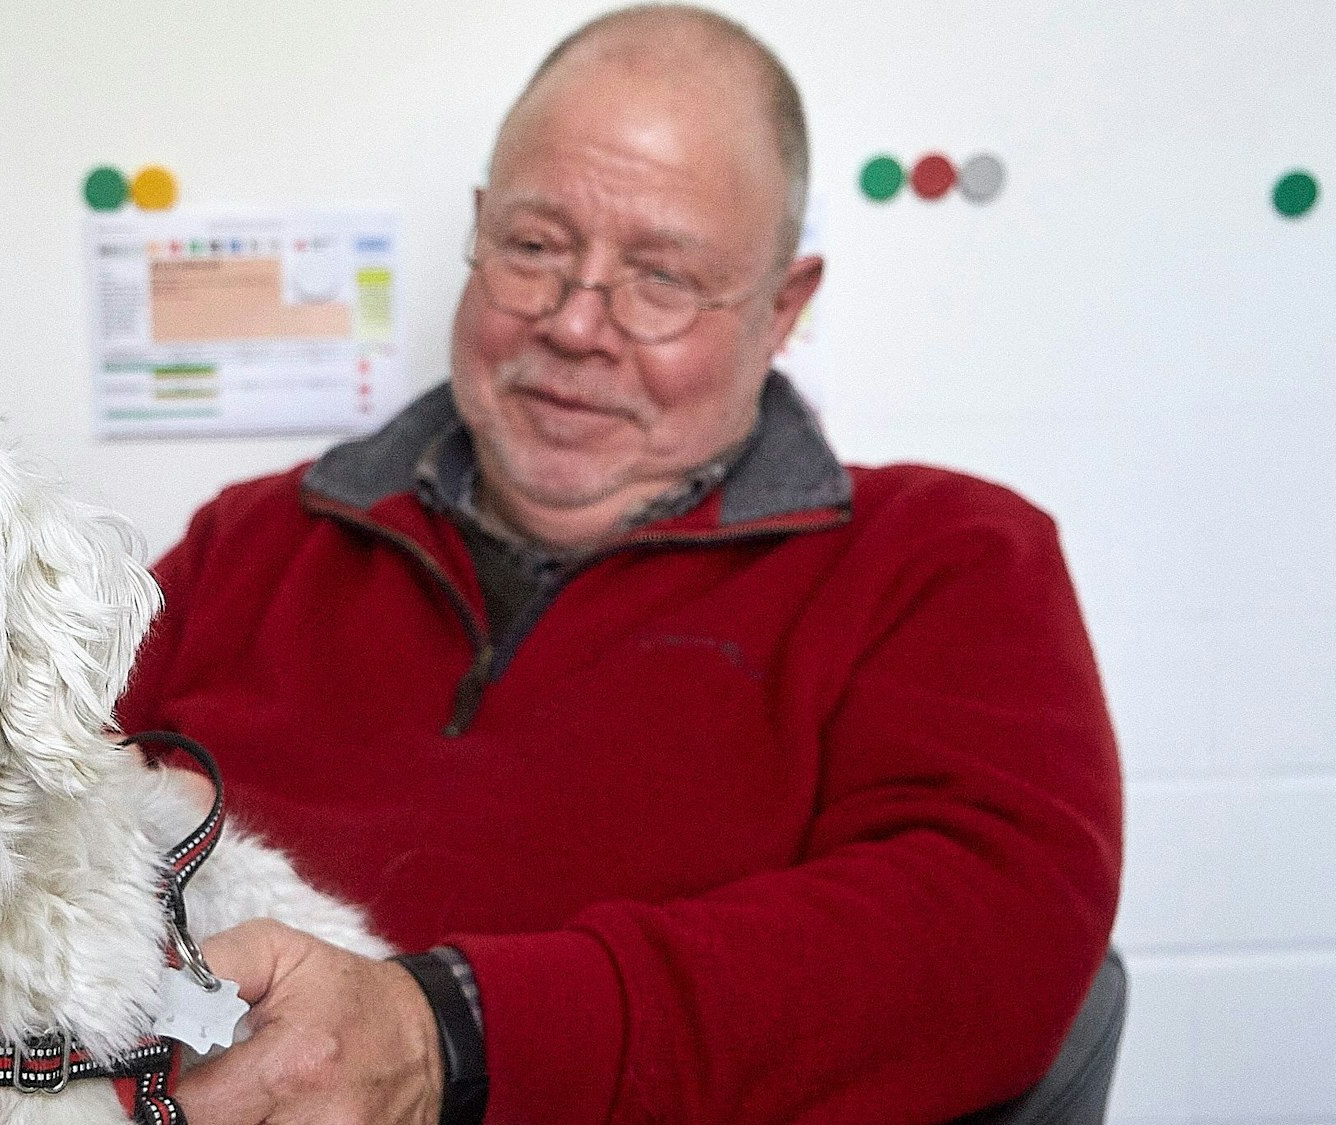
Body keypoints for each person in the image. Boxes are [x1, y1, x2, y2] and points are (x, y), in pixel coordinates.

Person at [116, 5, 1123, 1123]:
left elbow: (988, 940)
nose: (576, 324)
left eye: (661, 278)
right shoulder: (247, 544)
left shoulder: (944, 559)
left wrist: (447, 1032)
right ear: (477, 231)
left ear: (782, 308)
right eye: (535, 246)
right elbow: (8, 836)